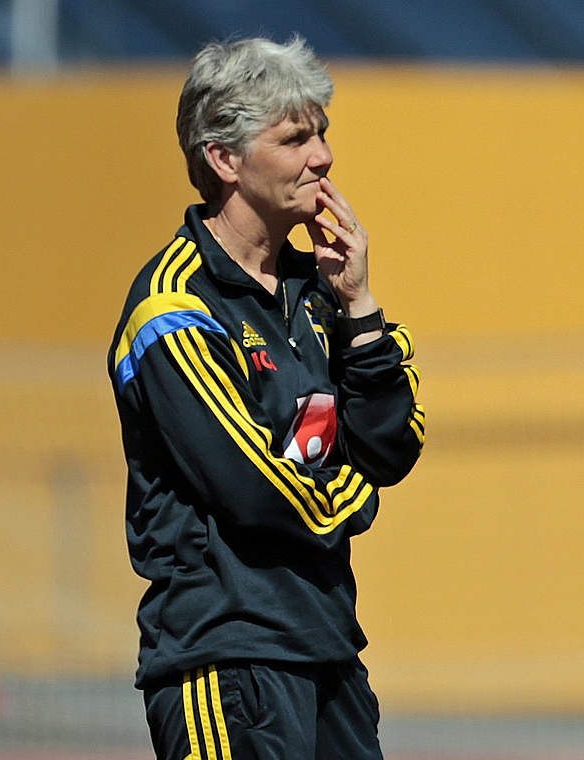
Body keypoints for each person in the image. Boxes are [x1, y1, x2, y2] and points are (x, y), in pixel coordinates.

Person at [107, 36, 425, 760]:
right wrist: (359, 496)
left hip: (329, 648)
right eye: (294, 138)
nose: (323, 157)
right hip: (227, 662)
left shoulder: (321, 292)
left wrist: (362, 308)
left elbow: (394, 442)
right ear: (224, 159)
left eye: (322, 135)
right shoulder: (173, 308)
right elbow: (256, 487)